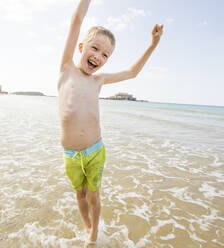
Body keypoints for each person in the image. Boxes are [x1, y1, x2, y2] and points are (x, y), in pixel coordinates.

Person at [57, 0, 163, 247]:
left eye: (105, 55)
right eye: (95, 49)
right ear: (81, 47)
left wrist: (152, 45)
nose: (99, 57)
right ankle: (87, 227)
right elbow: (77, 19)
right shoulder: (66, 69)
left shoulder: (99, 81)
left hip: (95, 151)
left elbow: (132, 72)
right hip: (71, 154)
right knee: (79, 195)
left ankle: (93, 238)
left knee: (94, 196)